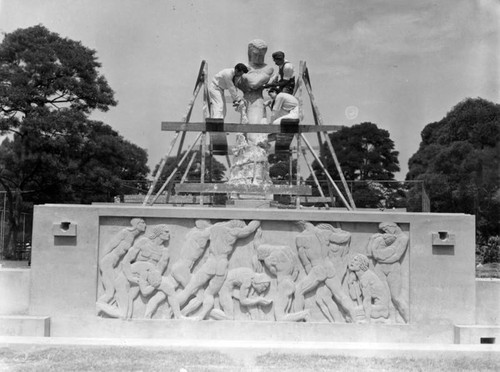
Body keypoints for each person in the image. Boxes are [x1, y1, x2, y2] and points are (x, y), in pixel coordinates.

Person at [176, 219, 261, 320]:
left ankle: (174, 312)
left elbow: (201, 236)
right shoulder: (233, 232)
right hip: (221, 264)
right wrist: (257, 220)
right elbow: (249, 229)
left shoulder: (214, 229)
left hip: (210, 263)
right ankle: (200, 316)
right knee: (209, 293)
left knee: (189, 288)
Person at [96, 218, 146, 311]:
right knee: (110, 292)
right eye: (142, 223)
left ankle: (111, 309)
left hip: (113, 264)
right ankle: (98, 306)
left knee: (118, 289)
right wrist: (101, 259)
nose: (145, 225)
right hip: (107, 263)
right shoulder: (125, 232)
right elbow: (111, 245)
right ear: (136, 224)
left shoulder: (133, 236)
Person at [366, 222, 410, 323]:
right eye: (383, 230)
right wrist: (373, 240)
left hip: (393, 268)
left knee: (396, 297)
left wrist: (379, 257)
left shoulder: (403, 238)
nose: (385, 232)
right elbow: (371, 253)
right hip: (379, 268)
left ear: (392, 226)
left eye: (386, 229)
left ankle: (408, 319)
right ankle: (392, 321)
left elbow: (397, 256)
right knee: (384, 297)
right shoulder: (383, 237)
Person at [348, 254, 390, 323]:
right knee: (350, 314)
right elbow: (354, 297)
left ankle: (375, 320)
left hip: (381, 309)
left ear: (361, 264)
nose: (352, 261)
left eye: (355, 260)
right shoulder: (361, 277)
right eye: (352, 259)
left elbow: (367, 299)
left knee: (352, 313)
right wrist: (350, 283)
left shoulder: (366, 277)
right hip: (375, 308)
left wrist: (367, 320)